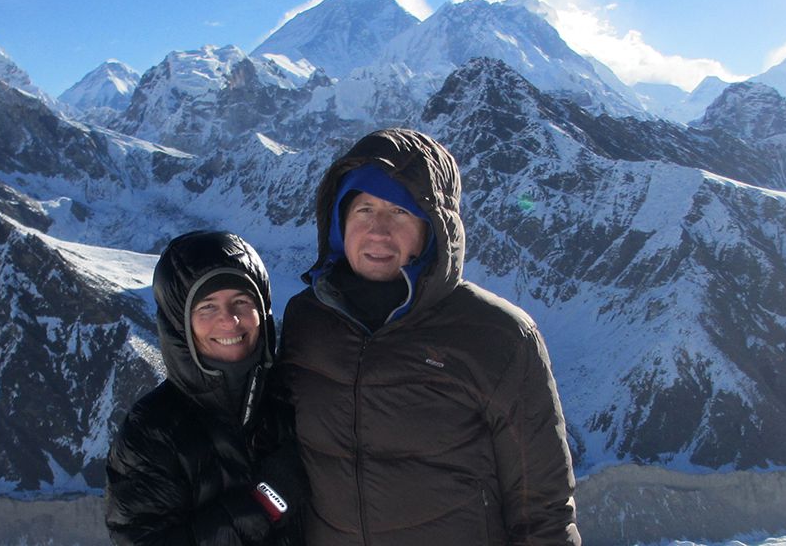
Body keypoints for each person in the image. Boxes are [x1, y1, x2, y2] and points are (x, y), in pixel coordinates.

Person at [276, 128, 582, 545]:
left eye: (400, 212)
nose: (379, 231)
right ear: (337, 223)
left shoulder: (499, 336)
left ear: (433, 229)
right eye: (364, 209)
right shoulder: (306, 321)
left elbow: (543, 510)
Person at [104, 230, 306, 545]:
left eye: (241, 301)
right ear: (179, 325)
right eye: (207, 307)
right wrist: (263, 505)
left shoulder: (294, 396)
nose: (230, 320)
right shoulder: (153, 431)